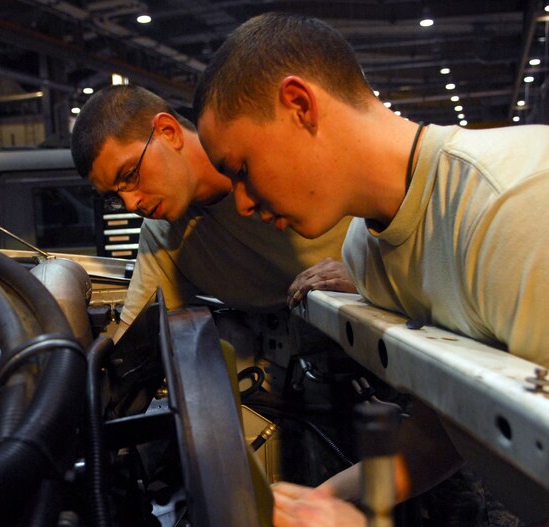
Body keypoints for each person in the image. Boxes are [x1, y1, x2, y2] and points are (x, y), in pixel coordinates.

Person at [194, 12, 549, 527]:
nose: (242, 204)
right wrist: (323, 502)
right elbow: (448, 428)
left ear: (300, 105)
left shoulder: (526, 209)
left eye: (242, 170)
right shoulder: (367, 251)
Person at [70, 85, 351, 340]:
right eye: (115, 197)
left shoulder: (288, 153)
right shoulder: (165, 234)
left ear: (168, 131)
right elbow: (135, 340)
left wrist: (366, 280)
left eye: (130, 175)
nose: (131, 204)